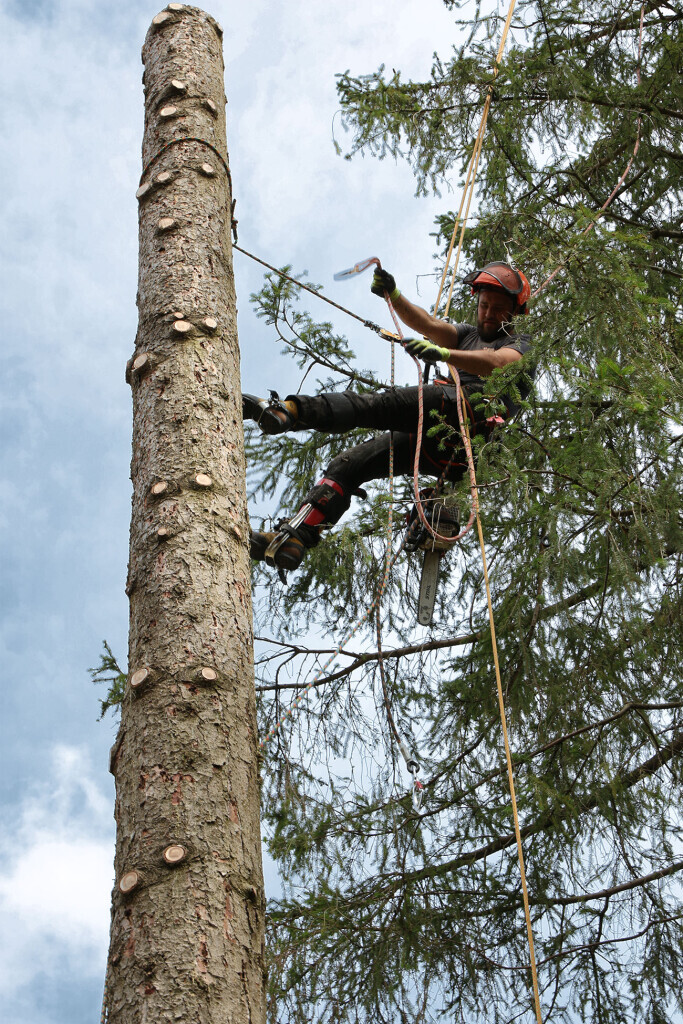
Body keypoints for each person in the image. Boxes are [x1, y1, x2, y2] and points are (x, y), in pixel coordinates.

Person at [243, 261, 533, 570]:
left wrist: (447, 355)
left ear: (516, 312)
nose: (488, 313)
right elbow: (429, 325)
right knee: (350, 464)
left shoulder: (521, 345)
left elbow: (498, 363)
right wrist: (393, 295)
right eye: (484, 305)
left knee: (378, 406)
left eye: (498, 309)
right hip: (436, 440)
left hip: (470, 419)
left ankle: (292, 411)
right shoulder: (466, 334)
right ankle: (296, 537)